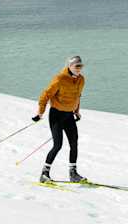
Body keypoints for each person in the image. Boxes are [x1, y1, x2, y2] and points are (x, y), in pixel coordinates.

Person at [32, 55, 87, 184]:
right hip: (56, 114)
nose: (79, 69)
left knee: (74, 143)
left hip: (69, 115)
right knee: (58, 145)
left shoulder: (81, 80)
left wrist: (77, 111)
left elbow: (78, 96)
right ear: (69, 66)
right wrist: (40, 113)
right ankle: (44, 174)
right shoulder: (60, 78)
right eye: (76, 66)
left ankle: (73, 174)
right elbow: (45, 95)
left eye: (81, 66)